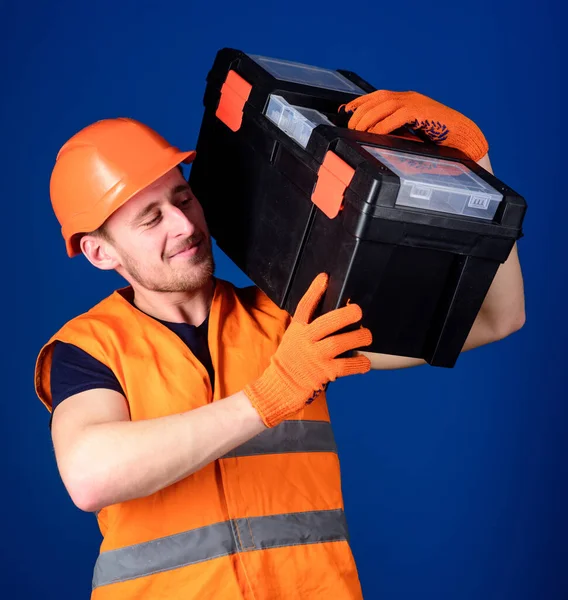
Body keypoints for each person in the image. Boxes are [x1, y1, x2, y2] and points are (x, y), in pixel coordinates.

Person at [34, 90, 525, 599]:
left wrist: (475, 167)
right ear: (98, 252)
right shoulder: (89, 348)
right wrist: (269, 395)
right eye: (151, 219)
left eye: (182, 199)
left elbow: (496, 318)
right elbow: (90, 475)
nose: (184, 226)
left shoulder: (287, 319)